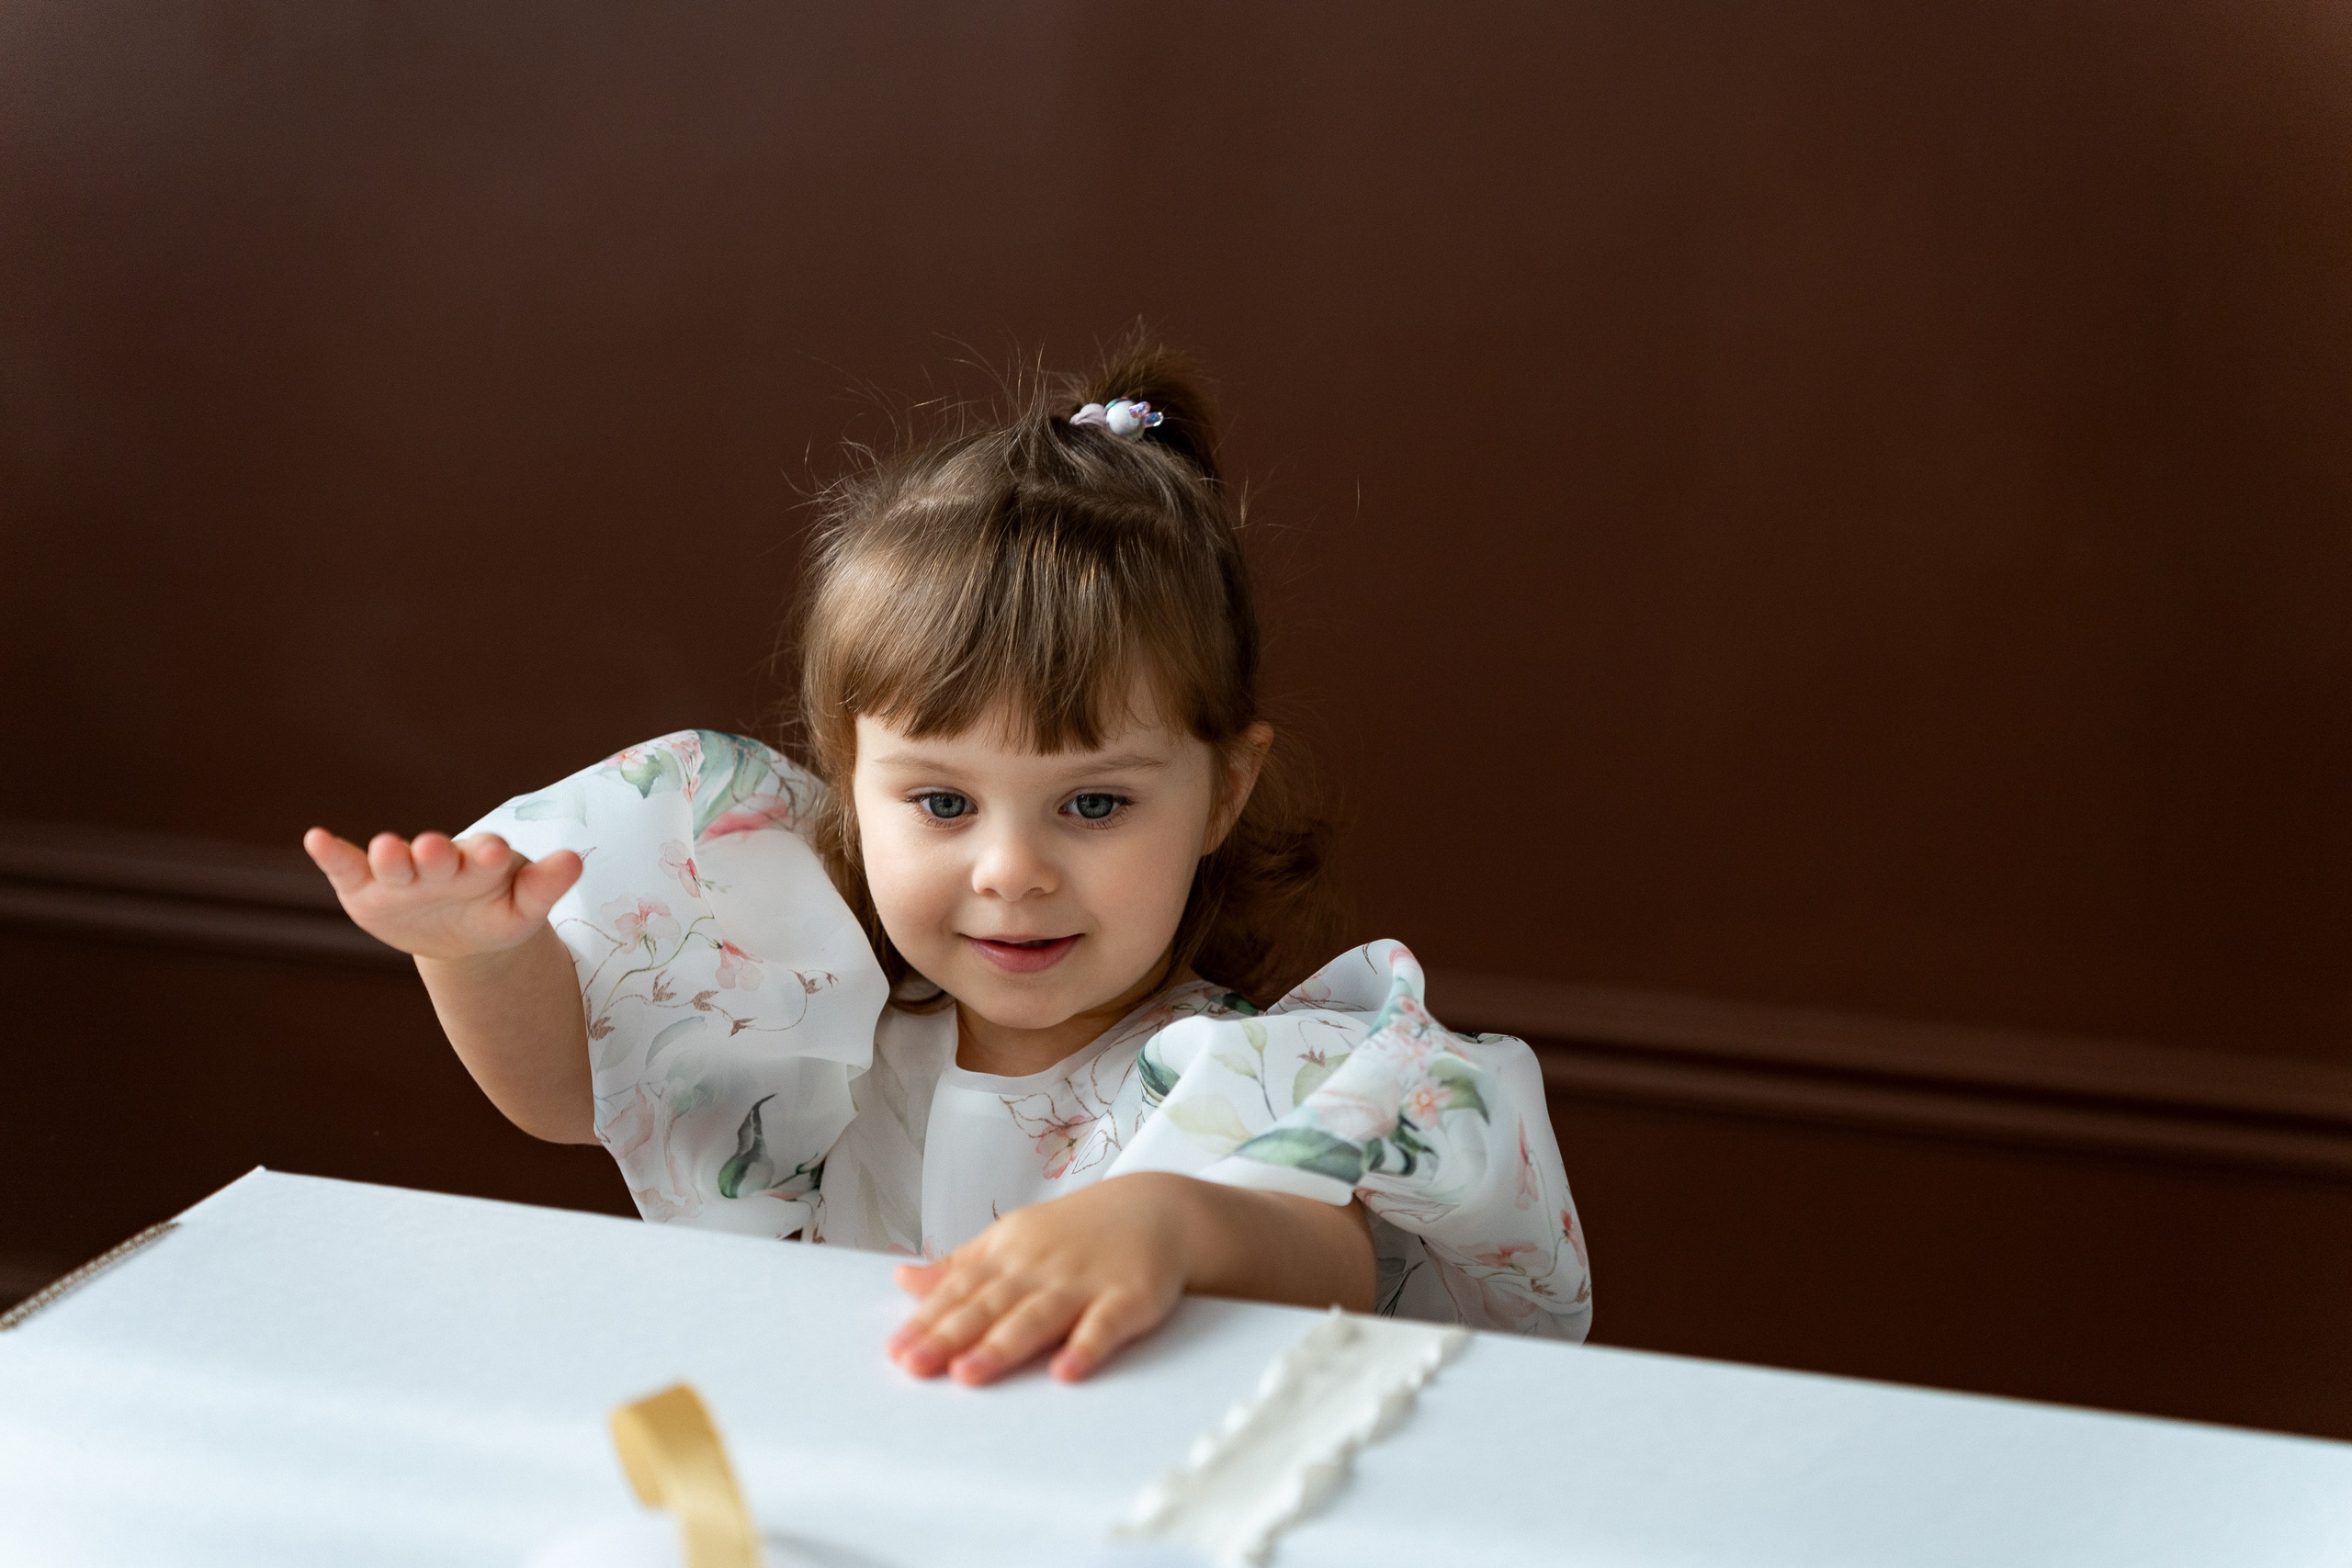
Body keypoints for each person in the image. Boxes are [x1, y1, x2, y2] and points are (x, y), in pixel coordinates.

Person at [303, 344, 1591, 1386]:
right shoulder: (819, 1031)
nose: (1011, 869)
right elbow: (569, 1099)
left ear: (1223, 795)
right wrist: (479, 957)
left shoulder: (1234, 1072)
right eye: (941, 801)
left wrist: (1171, 1222)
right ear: (852, 783)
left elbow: (1321, 1254)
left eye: (1094, 802)